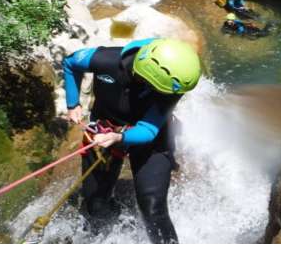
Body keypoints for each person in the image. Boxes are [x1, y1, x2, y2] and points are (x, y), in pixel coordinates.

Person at [62, 38, 201, 244]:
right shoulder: (106, 60)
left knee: (153, 210)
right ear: (145, 76)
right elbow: (70, 63)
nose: (169, 96)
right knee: (96, 206)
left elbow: (149, 129)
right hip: (104, 129)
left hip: (150, 138)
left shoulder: (174, 84)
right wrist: (73, 104)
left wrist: (120, 137)